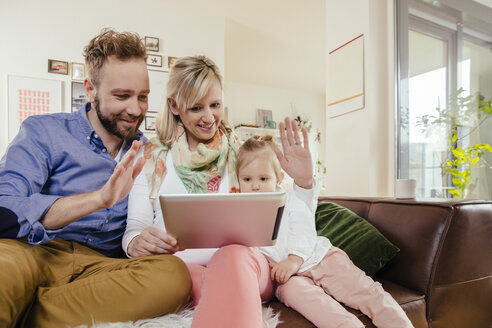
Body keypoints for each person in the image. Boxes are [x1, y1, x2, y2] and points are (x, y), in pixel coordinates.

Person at [0, 29, 191, 328]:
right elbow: (6, 207)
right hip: (31, 252)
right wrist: (98, 200)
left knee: (173, 276)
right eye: (122, 96)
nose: (135, 109)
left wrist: (148, 238)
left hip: (102, 267)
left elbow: (149, 222)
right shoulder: (44, 131)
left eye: (143, 96)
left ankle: (26, 311)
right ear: (90, 89)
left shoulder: (152, 153)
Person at [123, 55, 317, 328]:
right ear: (175, 106)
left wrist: (304, 183)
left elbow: (291, 217)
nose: (209, 117)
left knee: (232, 256)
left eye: (215, 105)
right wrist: (135, 243)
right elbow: (134, 229)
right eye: (196, 108)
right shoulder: (151, 157)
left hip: (247, 265)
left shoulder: (245, 151)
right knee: (170, 276)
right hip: (180, 270)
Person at [236, 135, 414, 328]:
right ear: (238, 181)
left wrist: (294, 260)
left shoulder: (289, 199)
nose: (255, 186)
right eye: (247, 179)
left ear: (278, 179)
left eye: (263, 178)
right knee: (301, 298)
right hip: (290, 279)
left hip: (321, 259)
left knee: (369, 294)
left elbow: (302, 227)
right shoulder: (240, 214)